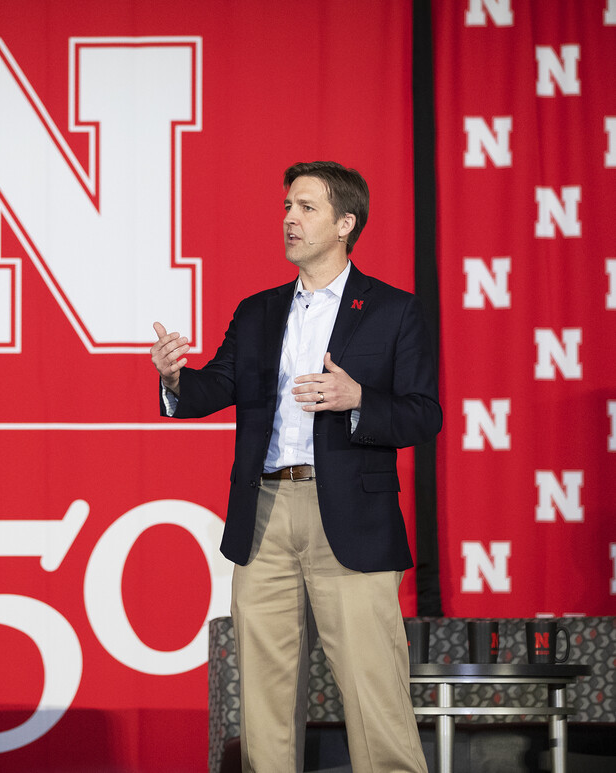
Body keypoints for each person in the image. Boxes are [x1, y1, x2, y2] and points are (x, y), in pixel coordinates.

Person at [151, 161, 439, 773]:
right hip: (265, 514)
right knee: (265, 693)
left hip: (352, 518)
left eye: (306, 208)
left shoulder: (392, 310)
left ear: (345, 224)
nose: (289, 218)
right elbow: (212, 390)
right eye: (287, 206)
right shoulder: (258, 311)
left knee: (372, 687)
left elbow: (423, 415)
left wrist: (358, 399)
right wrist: (175, 379)